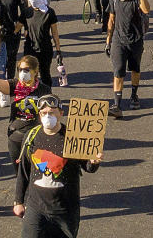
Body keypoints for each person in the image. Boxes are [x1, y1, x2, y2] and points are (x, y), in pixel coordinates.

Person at [14, 94, 102, 238]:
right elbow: (23, 172)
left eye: (51, 113)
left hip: (65, 210)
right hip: (36, 208)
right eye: (43, 113)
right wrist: (18, 201)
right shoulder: (31, 136)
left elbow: (88, 167)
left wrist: (94, 162)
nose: (47, 116)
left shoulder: (73, 137)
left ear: (61, 113)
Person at [0, 53, 51, 164]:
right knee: (19, 173)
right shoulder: (15, 85)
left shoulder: (44, 90)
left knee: (36, 173)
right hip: (16, 136)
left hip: (36, 137)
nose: (23, 73)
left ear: (35, 71)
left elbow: (50, 114)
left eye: (27, 70)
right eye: (20, 70)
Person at [105, 0, 150, 118]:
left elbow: (146, 9)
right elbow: (111, 20)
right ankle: (117, 105)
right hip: (119, 41)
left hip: (136, 40)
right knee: (118, 71)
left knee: (135, 69)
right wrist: (108, 41)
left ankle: (134, 95)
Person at [22, 0, 62, 86]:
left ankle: (47, 96)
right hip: (30, 49)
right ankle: (30, 98)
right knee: (29, 76)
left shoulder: (49, 12)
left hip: (45, 49)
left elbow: (55, 33)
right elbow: (16, 29)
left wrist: (58, 50)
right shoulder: (26, 12)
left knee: (45, 75)